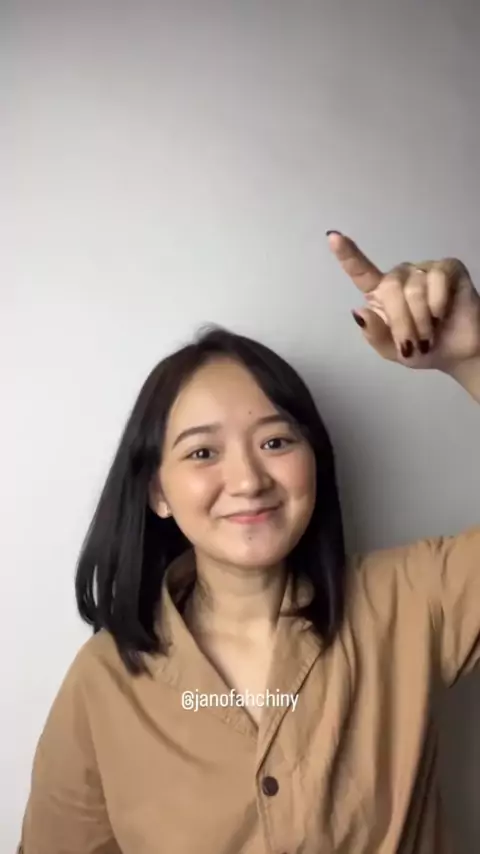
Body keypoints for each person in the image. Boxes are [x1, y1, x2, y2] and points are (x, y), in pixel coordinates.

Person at [18, 233, 480, 854]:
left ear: (315, 461)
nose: (247, 480)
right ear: (157, 492)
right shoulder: (102, 682)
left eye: (275, 442)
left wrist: (473, 356)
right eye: (202, 452)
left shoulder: (411, 598)